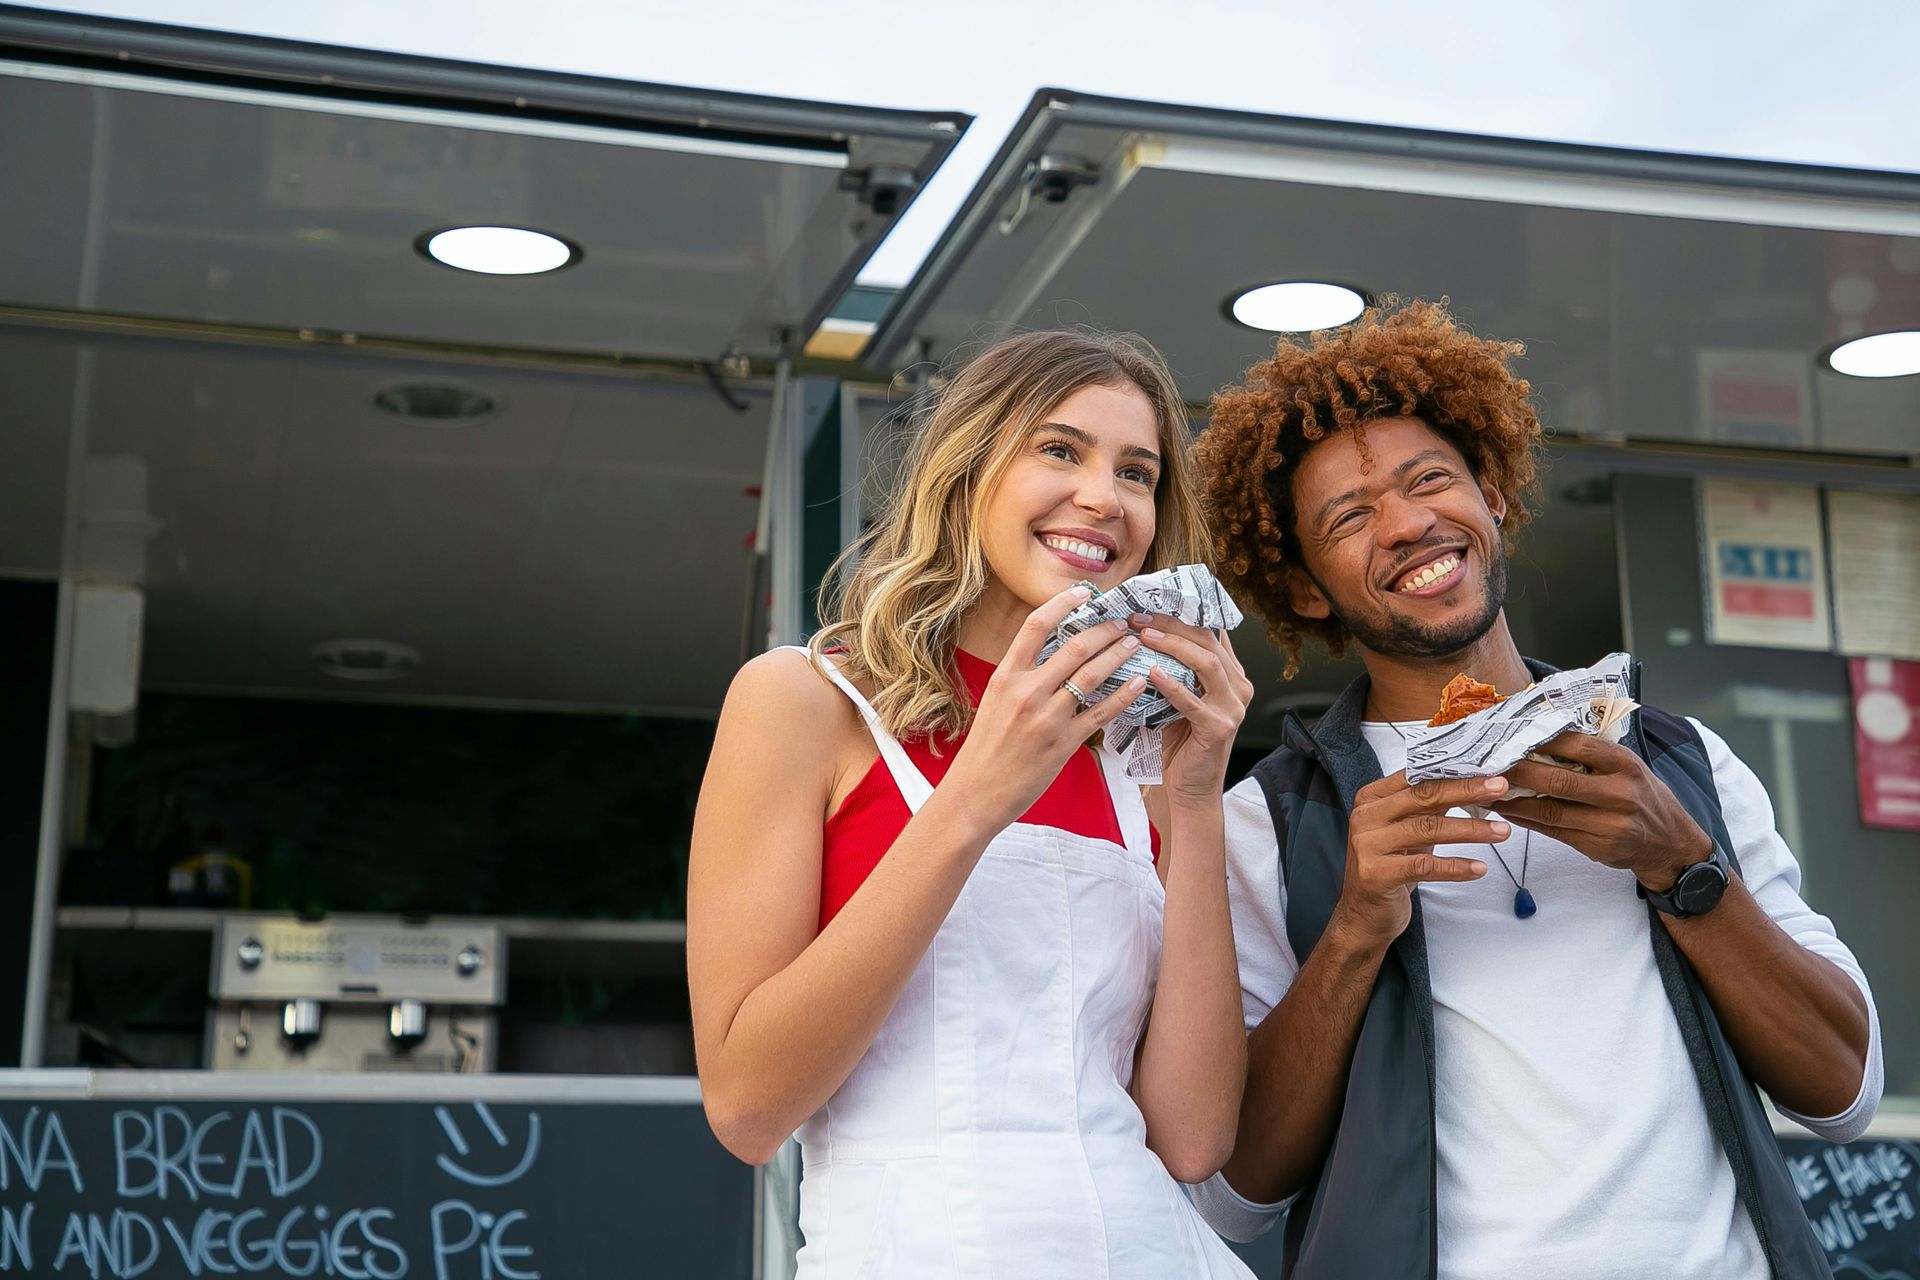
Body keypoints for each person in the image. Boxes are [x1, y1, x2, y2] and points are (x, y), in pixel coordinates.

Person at [1185, 300, 1882, 1279]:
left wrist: (1683, 866)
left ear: (1494, 495)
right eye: (1350, 515)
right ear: (1304, 588)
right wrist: (1354, 928)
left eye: (1431, 479)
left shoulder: (1686, 763)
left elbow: (1844, 1092)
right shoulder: (1268, 822)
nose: (1410, 522)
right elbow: (1233, 1187)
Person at [688, 328, 1258, 1277]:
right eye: (1059, 449)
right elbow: (749, 1106)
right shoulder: (804, 701)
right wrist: (976, 795)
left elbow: (1194, 1142)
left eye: (1138, 472)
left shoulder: (1142, 755)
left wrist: (1195, 804)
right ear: (967, 470)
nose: (1102, 498)